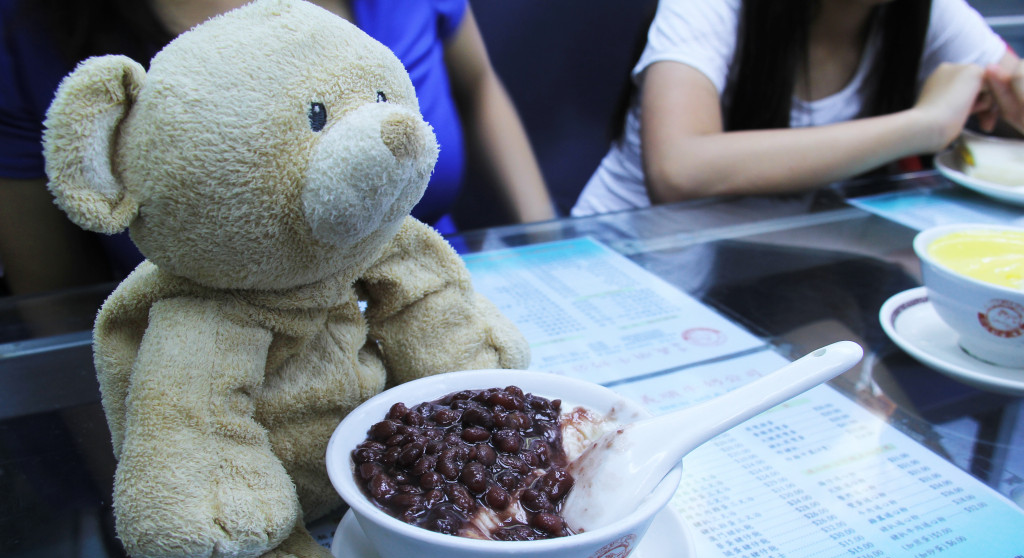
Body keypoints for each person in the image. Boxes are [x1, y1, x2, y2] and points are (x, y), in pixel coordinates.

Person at [0, 0, 553, 295]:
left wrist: (549, 238)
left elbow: (479, 86)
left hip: (435, 285)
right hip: (232, 345)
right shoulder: (34, 33)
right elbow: (49, 293)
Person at [572, 0, 1024, 217]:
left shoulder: (928, 13)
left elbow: (1011, 90)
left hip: (756, 274)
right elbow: (679, 170)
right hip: (623, 254)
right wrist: (924, 124)